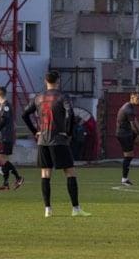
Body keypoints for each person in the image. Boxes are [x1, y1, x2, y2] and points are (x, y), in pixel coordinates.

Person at [22, 70, 89, 217]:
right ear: (58, 81)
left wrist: (35, 131)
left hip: (43, 140)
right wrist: (68, 132)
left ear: (46, 81)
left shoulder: (38, 97)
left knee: (45, 174)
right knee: (70, 172)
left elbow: (24, 114)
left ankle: (48, 209)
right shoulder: (62, 96)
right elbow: (70, 113)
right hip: (58, 139)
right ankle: (76, 209)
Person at [0, 86, 23, 191]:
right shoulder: (2, 106)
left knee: (1, 159)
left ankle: (18, 178)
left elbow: (4, 121)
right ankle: (6, 184)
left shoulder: (6, 106)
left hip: (5, 137)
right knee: (1, 159)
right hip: (2, 137)